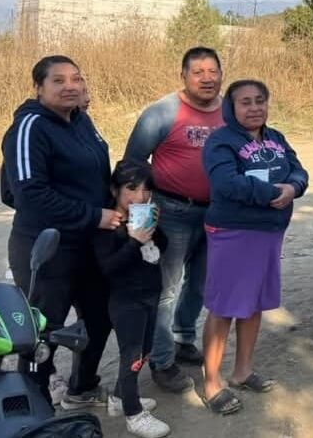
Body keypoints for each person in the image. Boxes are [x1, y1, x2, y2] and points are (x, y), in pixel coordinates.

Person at [1, 55, 117, 407]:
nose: (70, 86)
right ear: (38, 88)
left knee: (99, 318)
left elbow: (95, 175)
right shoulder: (29, 127)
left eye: (76, 79)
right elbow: (27, 195)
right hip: (46, 248)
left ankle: (81, 389)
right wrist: (92, 215)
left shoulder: (82, 121)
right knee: (42, 332)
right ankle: (35, 406)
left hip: (91, 245)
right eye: (58, 80)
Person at [200, 80, 309, 415]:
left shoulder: (275, 137)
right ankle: (211, 382)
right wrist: (273, 194)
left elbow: (299, 170)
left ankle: (242, 370)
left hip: (268, 233)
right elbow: (225, 183)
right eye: (245, 102)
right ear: (231, 108)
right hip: (234, 232)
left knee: (254, 303)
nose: (254, 108)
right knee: (224, 306)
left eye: (260, 101)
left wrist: (293, 188)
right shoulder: (220, 141)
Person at [124, 47, 224, 393]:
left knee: (201, 283)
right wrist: (136, 218)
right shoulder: (162, 113)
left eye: (213, 71)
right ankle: (162, 361)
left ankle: (183, 339)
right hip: (172, 213)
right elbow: (132, 165)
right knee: (166, 289)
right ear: (184, 75)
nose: (207, 78)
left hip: (217, 214)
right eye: (198, 72)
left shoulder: (230, 111)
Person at [93, 160, 171, 438]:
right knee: (133, 357)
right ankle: (133, 414)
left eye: (147, 189)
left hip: (150, 294)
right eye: (132, 188)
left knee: (145, 350)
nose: (140, 196)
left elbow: (161, 247)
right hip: (127, 301)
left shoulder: (143, 213)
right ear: (115, 190)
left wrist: (153, 229)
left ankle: (119, 398)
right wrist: (133, 240)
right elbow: (108, 267)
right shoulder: (109, 223)